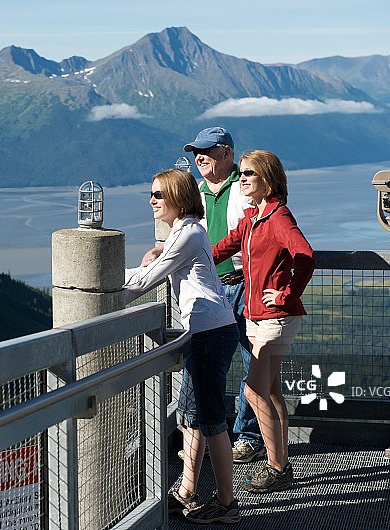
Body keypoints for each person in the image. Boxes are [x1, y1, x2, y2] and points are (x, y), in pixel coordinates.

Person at [124, 169, 240, 524]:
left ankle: (226, 504)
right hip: (206, 331)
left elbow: (144, 281)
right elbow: (158, 266)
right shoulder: (185, 232)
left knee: (211, 422)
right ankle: (187, 491)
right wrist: (157, 254)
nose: (152, 200)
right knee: (192, 417)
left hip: (209, 334)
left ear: (176, 196)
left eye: (158, 194)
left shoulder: (188, 233)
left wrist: (99, 282)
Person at [144, 126, 266, 465]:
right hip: (213, 285)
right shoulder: (195, 191)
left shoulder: (244, 187)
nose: (199, 157)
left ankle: (248, 436)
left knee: (250, 364)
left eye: (207, 150)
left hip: (243, 282)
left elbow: (261, 234)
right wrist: (162, 250)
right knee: (203, 369)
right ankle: (198, 437)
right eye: (196, 151)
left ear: (226, 152)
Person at [211, 150, 315, 494]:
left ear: (267, 179)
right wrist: (173, 253)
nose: (241, 178)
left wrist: (285, 294)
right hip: (255, 317)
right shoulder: (253, 218)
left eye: (248, 174)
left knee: (255, 390)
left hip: (276, 318)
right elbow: (222, 248)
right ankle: (280, 461)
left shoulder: (278, 217)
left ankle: (276, 466)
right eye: (240, 173)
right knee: (270, 390)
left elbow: (306, 255)